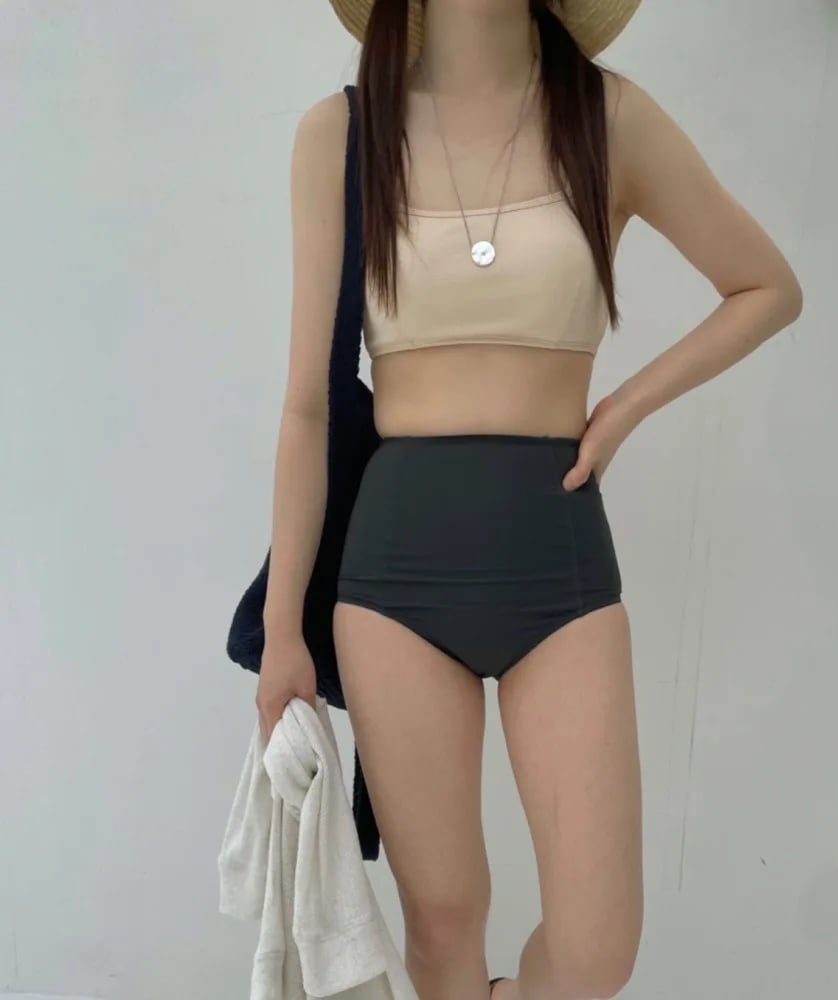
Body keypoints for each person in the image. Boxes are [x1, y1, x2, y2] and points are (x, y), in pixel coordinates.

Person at [255, 1, 804, 998]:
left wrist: (622, 408)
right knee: (443, 921)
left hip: (560, 562)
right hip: (393, 579)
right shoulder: (339, 134)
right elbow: (306, 406)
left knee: (597, 947)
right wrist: (283, 629)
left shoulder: (610, 117)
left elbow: (765, 286)